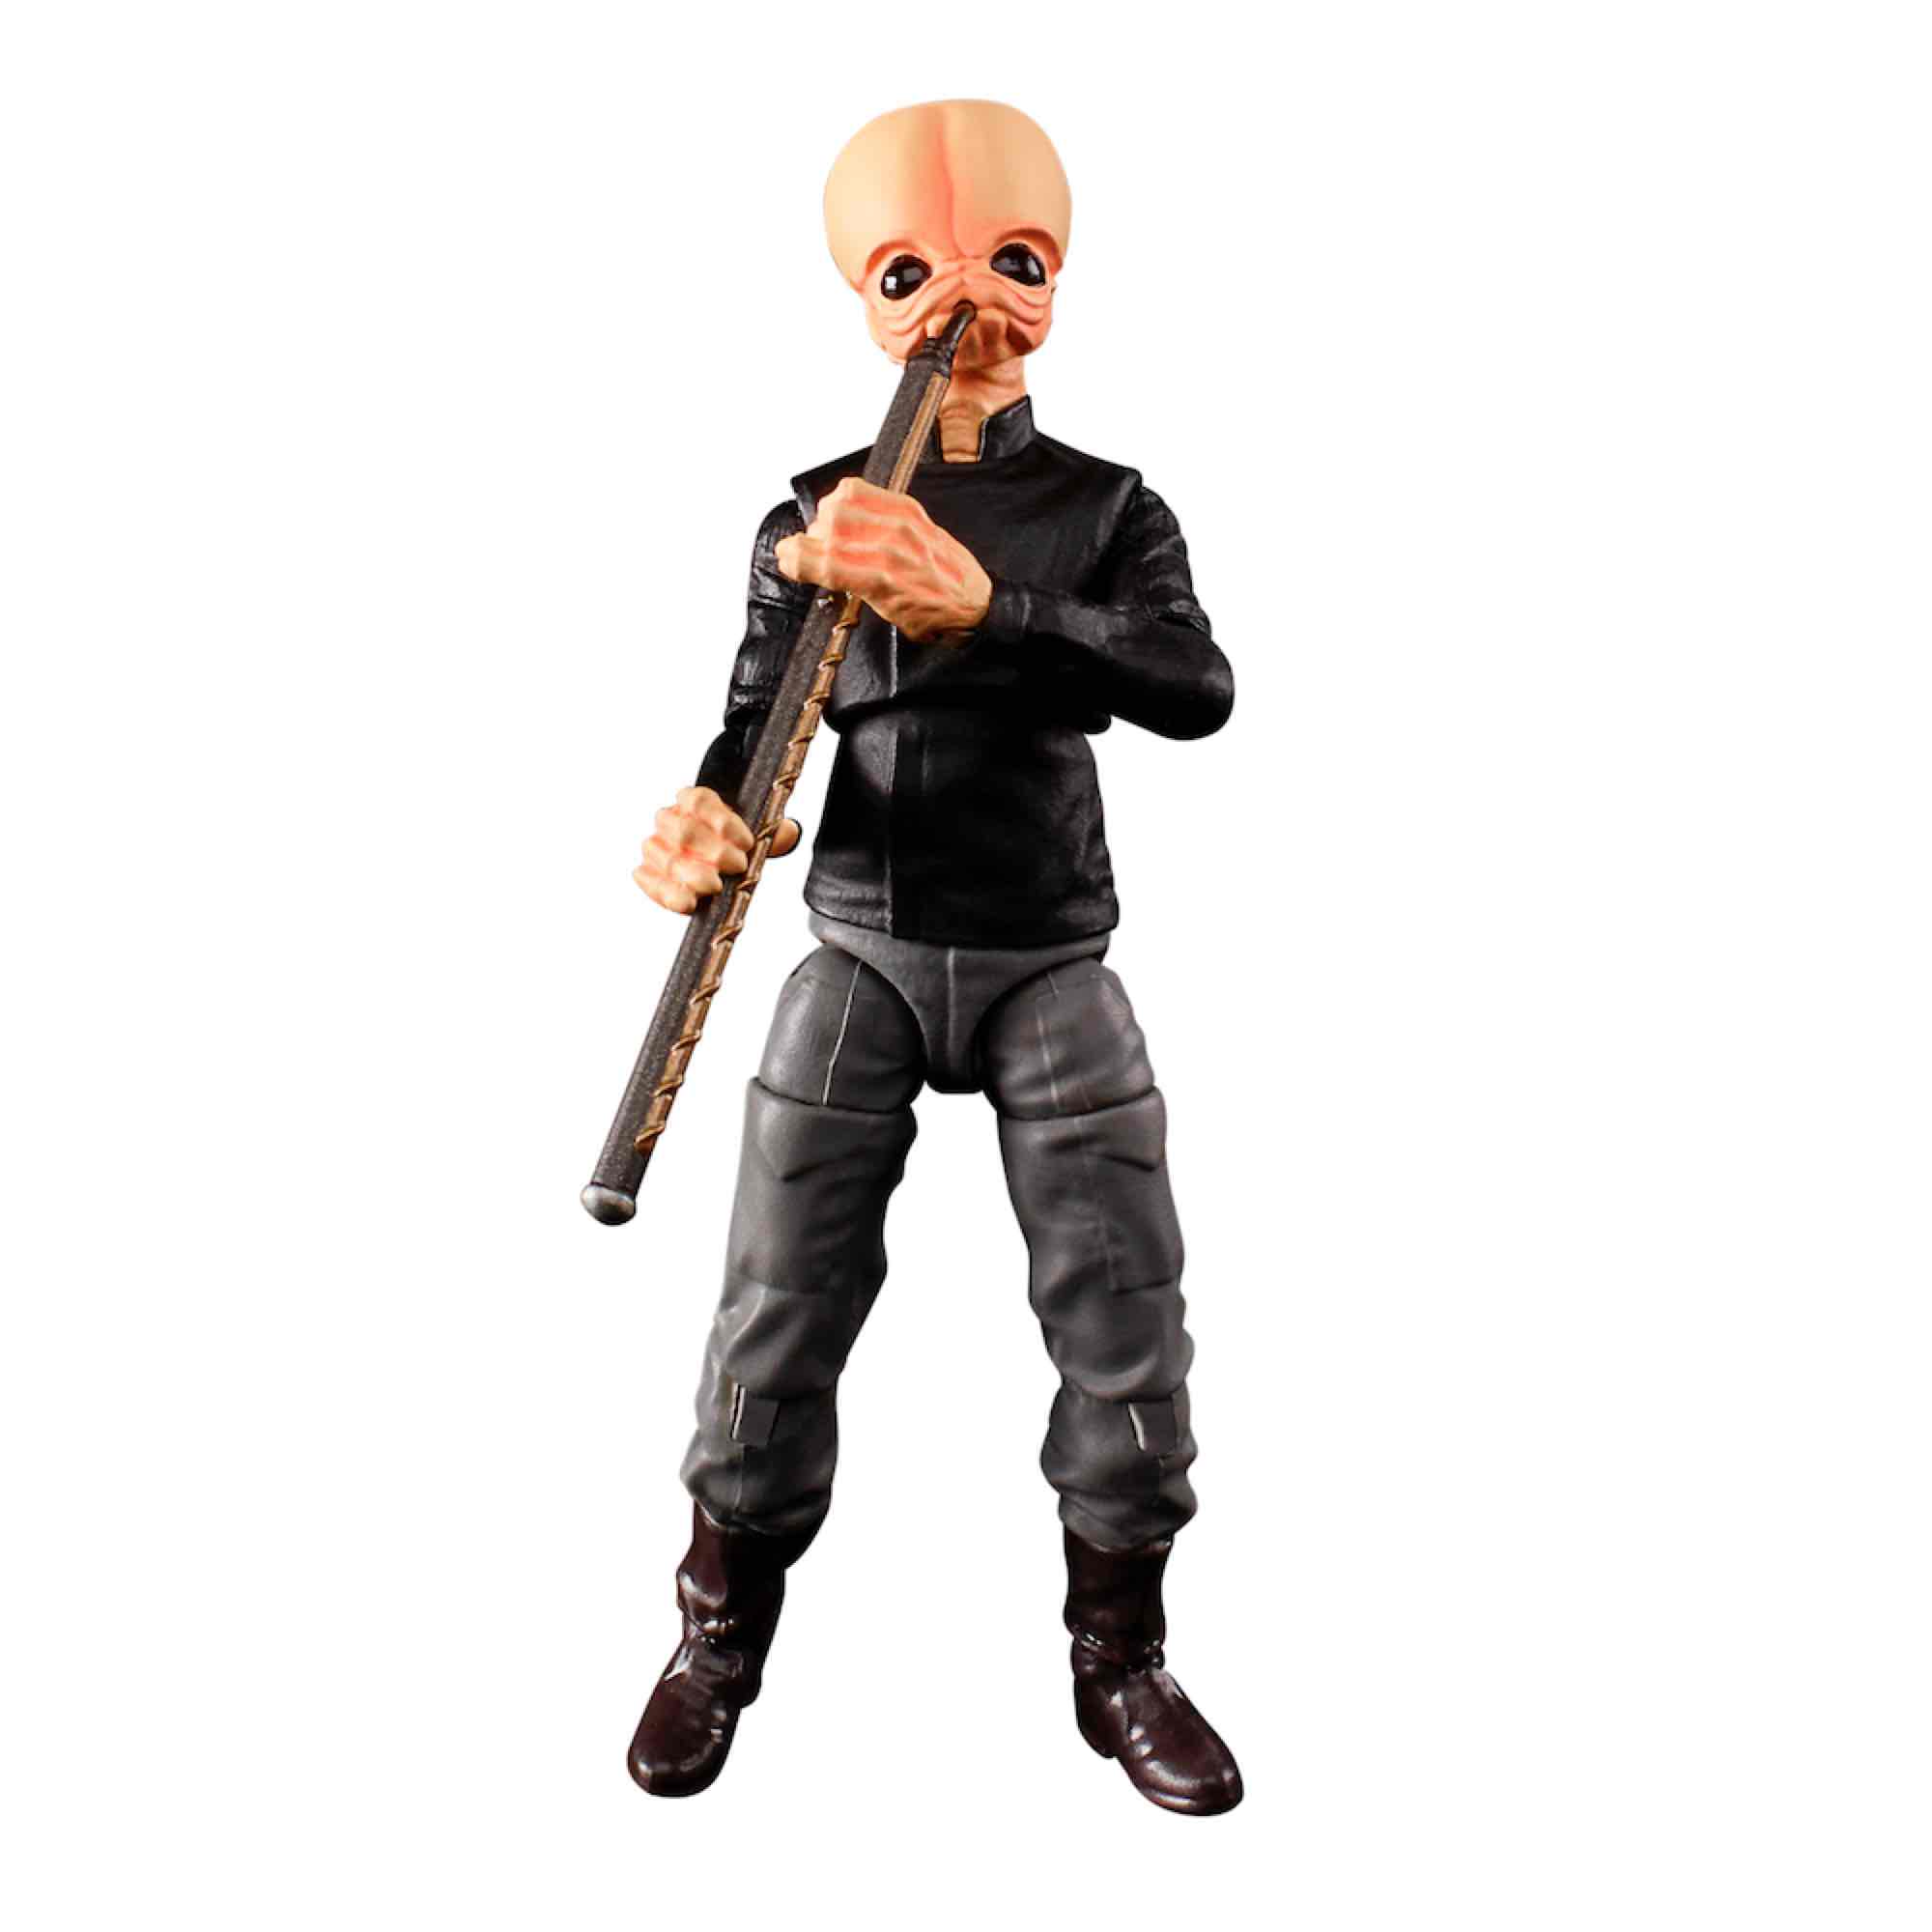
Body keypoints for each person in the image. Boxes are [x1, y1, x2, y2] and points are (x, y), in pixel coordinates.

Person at [625, 99, 1242, 1815]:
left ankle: (1122, 1654)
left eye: (1011, 259)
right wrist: (706, 820)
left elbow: (1194, 684)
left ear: (1058, 281)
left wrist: (990, 607)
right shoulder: (813, 515)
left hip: (1050, 955)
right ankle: (716, 1633)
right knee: (776, 1300)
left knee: (1126, 1310)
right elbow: (753, 728)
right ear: (861, 295)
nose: (964, 301)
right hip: (865, 949)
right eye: (911, 271)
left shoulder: (1109, 508)